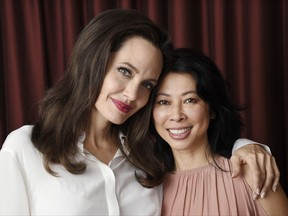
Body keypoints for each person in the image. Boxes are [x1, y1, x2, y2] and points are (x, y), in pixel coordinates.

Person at [0, 9, 279, 215]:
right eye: (124, 71)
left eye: (147, 85)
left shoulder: (145, 161)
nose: (133, 94)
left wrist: (248, 146)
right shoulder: (25, 149)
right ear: (92, 62)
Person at [149, 48, 288, 215]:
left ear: (212, 109)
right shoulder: (148, 188)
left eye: (190, 100)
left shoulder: (253, 172)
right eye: (163, 102)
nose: (177, 115)